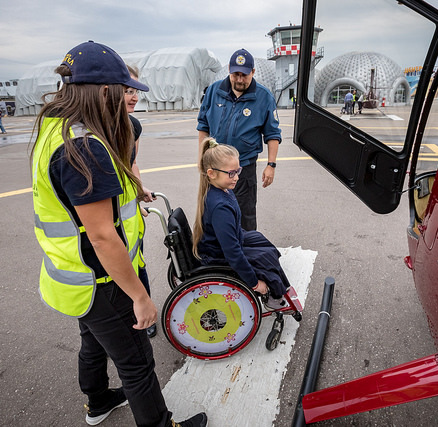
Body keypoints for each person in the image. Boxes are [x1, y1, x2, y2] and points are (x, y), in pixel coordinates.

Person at [30, 40, 206, 427]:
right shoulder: (84, 148)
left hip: (79, 280)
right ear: (105, 90)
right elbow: (103, 237)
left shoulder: (55, 129)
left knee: (92, 343)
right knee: (137, 364)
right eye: (124, 91)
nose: (130, 99)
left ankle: (97, 402)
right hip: (106, 280)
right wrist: (140, 297)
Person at [192, 138, 291, 309]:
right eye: (231, 173)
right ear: (211, 173)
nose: (237, 177)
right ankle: (273, 297)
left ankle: (279, 285)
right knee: (264, 260)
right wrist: (254, 283)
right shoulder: (220, 207)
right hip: (218, 255)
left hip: (220, 244)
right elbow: (232, 254)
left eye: (237, 171)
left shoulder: (222, 189)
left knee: (261, 242)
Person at [197, 48, 281, 231]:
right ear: (229, 69)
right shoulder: (214, 91)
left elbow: (272, 134)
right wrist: (202, 158)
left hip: (243, 168)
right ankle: (215, 252)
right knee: (212, 211)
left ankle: (246, 251)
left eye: (244, 75)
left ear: (253, 72)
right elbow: (203, 125)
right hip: (214, 168)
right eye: (236, 74)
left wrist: (271, 165)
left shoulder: (264, 97)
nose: (240, 80)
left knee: (245, 215)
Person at [125, 64, 157, 338]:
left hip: (128, 214)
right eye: (127, 90)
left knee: (138, 261)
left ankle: (144, 312)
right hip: (109, 215)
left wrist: (138, 189)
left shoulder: (133, 126)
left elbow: (132, 163)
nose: (134, 96)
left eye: (136, 90)